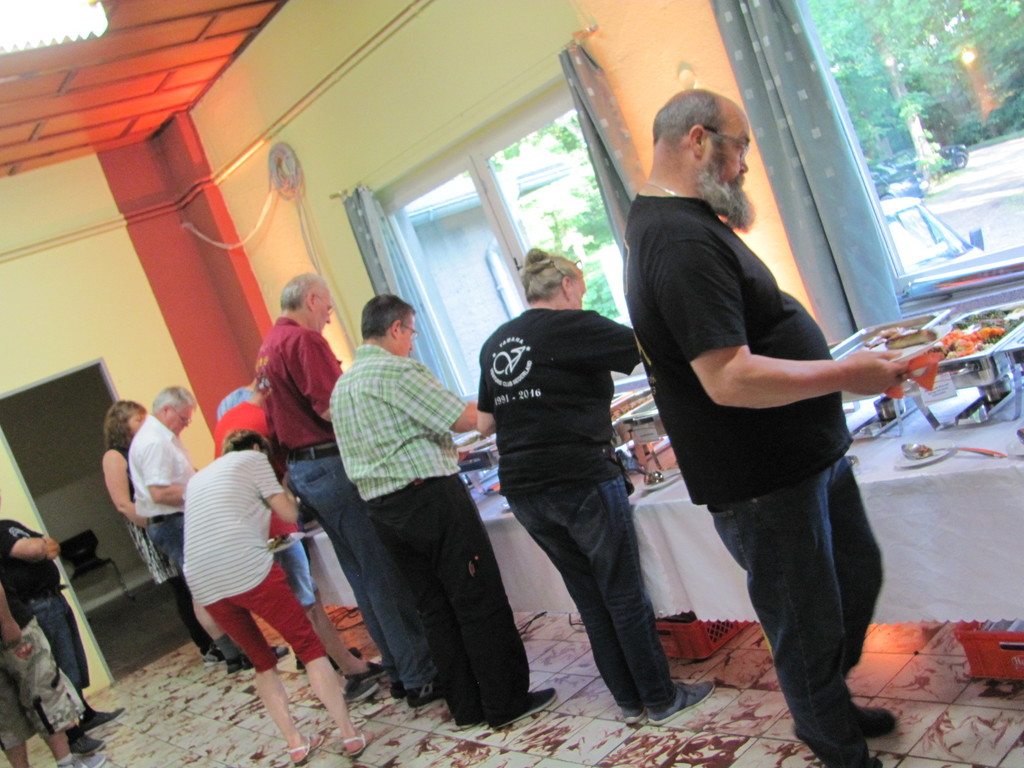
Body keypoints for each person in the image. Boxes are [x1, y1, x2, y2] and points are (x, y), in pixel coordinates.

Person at [623, 88, 908, 768]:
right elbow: (728, 377)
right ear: (698, 140)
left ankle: (827, 705)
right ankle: (835, 744)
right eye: (739, 146)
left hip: (800, 456)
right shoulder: (677, 238)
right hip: (763, 476)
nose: (746, 163)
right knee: (806, 622)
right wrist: (846, 374)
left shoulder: (688, 223)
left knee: (855, 577)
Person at [477, 248, 713, 726]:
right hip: (578, 475)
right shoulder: (576, 325)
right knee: (622, 593)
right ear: (566, 285)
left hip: (523, 488)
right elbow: (654, 349)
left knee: (590, 599)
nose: (582, 299)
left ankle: (628, 701)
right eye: (581, 290)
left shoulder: (495, 343)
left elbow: (485, 423)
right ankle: (660, 698)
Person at [331, 294, 556, 730]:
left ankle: (466, 707)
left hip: (382, 511)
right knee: (477, 598)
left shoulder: (343, 387)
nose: (413, 342)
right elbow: (464, 418)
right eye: (411, 332)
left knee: (433, 609)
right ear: (396, 328)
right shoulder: (397, 370)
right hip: (428, 499)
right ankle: (505, 702)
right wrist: (507, 405)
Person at [255, 273, 437, 705]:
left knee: (361, 573)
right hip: (331, 464)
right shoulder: (304, 341)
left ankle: (398, 668)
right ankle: (420, 674)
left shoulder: (267, 348)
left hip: (303, 470)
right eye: (327, 306)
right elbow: (333, 406)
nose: (329, 314)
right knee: (382, 570)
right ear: (311, 300)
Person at [183, 430, 366, 763]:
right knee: (308, 647)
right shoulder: (254, 461)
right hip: (245, 567)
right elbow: (290, 514)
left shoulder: (200, 478)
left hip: (202, 580)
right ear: (257, 448)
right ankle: (349, 733)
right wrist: (284, 486)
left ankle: (295, 743)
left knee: (262, 662)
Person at [212, 392, 386, 703]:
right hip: (271, 529)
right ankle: (345, 676)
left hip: (238, 539)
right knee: (307, 605)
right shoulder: (263, 430)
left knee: (307, 602)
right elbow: (287, 510)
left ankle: (346, 665)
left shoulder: (232, 418)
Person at [127, 386, 246, 672]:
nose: (186, 425)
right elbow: (159, 492)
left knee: (204, 587)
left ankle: (236, 651)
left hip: (175, 521)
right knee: (209, 587)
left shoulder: (162, 437)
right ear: (166, 410)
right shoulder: (154, 441)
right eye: (183, 418)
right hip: (173, 523)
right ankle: (238, 651)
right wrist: (201, 490)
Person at [101, 400, 215, 662]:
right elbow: (123, 503)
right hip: (152, 524)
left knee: (197, 579)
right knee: (182, 585)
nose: (145, 424)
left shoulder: (148, 446)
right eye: (137, 420)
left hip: (174, 519)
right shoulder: (115, 456)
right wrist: (154, 521)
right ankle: (207, 644)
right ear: (121, 425)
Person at [0, 493, 106, 768]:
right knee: (41, 694)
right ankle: (67, 760)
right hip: (15, 627)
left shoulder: (6, 526)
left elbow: (45, 545)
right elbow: (32, 551)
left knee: (17, 707)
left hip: (17, 621)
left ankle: (69, 754)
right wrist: (8, 623)